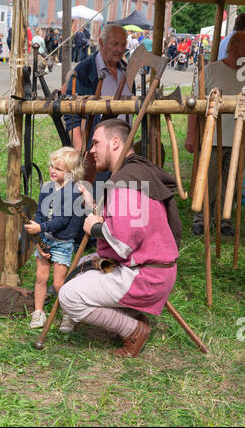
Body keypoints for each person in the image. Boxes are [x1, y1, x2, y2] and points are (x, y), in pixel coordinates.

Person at [58, 118, 181, 357]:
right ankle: (129, 313)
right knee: (87, 263)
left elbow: (123, 242)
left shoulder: (124, 182)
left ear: (115, 143)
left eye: (95, 143)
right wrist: (95, 209)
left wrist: (94, 228)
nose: (91, 150)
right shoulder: (136, 171)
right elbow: (123, 223)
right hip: (154, 269)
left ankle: (133, 328)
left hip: (145, 277)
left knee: (69, 296)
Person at [185, 32, 245, 236]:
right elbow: (194, 106)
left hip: (238, 141)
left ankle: (224, 220)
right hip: (211, 139)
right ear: (234, 48)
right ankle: (201, 218)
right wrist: (191, 135)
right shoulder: (211, 70)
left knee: (231, 183)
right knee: (207, 180)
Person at [24, 147, 84, 329]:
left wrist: (40, 227)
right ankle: (38, 312)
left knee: (59, 283)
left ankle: (68, 315)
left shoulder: (72, 193)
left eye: (58, 169)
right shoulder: (47, 188)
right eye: (51, 166)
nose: (52, 170)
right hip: (45, 239)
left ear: (70, 173)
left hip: (62, 242)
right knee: (40, 278)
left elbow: (63, 219)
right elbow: (41, 214)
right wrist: (38, 240)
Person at [65, 24, 132, 153]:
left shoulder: (127, 71)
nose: (120, 49)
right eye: (115, 44)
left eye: (123, 45)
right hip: (96, 151)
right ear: (101, 43)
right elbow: (70, 113)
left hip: (123, 146)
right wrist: (80, 148)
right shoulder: (85, 70)